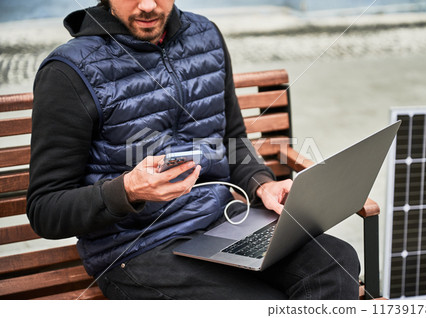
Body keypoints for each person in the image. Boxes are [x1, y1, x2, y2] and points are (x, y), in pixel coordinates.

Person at [27, 0, 360, 300]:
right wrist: (127, 190)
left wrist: (262, 183)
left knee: (337, 262)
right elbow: (45, 209)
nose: (147, 5)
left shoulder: (206, 36)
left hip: (221, 225)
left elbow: (233, 140)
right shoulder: (68, 71)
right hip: (137, 252)